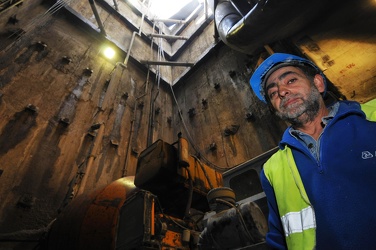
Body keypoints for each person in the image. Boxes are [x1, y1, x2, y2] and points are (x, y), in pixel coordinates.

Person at [249, 53, 376, 249]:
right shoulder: (273, 170)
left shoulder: (371, 119)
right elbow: (279, 238)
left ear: (318, 83)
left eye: (291, 80)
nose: (282, 91)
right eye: (273, 93)